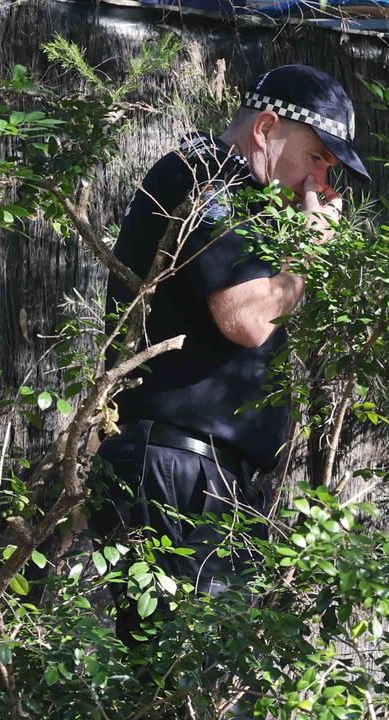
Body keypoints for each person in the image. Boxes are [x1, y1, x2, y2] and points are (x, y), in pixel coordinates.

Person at [90, 64, 370, 607]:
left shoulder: (239, 191)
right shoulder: (207, 176)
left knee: (205, 678)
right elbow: (245, 319)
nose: (321, 185)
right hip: (180, 469)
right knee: (182, 673)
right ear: (265, 129)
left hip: (206, 476)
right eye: (316, 158)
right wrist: (310, 247)